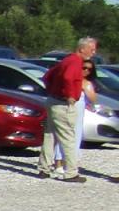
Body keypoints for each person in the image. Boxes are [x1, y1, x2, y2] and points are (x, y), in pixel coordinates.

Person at [40, 37, 98, 181]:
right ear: (82, 48)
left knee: (50, 135)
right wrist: (70, 95)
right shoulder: (76, 61)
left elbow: (47, 76)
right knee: (68, 138)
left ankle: (44, 168)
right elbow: (67, 78)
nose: (94, 52)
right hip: (62, 104)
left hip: (53, 101)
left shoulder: (66, 60)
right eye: (92, 49)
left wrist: (52, 91)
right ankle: (71, 172)